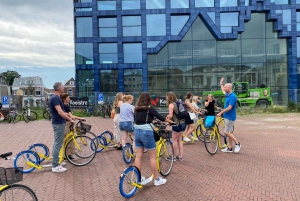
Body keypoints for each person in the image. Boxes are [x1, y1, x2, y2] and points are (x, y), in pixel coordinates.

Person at [134, 92, 174, 186]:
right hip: (146, 132)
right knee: (152, 156)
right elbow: (160, 117)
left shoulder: (136, 108)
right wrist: (169, 121)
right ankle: (157, 179)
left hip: (137, 131)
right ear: (148, 99)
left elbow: (138, 119)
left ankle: (138, 178)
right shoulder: (149, 107)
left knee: (138, 156)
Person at [49, 82, 75, 173]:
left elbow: (62, 111)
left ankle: (56, 162)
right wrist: (70, 119)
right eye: (63, 86)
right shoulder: (55, 98)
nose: (64, 87)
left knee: (57, 143)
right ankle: (55, 166)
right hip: (59, 123)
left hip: (58, 123)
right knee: (58, 144)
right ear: (59, 88)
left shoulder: (56, 98)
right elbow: (60, 112)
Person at [217, 78, 241, 153]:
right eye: (224, 87)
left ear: (229, 88)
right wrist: (221, 83)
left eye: (225, 87)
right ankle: (229, 148)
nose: (224, 88)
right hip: (227, 116)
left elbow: (229, 107)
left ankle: (237, 144)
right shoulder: (228, 94)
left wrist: (221, 113)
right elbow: (223, 90)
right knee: (230, 133)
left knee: (226, 132)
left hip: (230, 117)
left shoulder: (233, 96)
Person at [60, 93, 85, 159]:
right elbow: (71, 116)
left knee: (66, 140)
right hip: (68, 124)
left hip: (64, 124)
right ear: (64, 99)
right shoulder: (65, 106)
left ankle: (66, 154)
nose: (69, 99)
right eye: (68, 98)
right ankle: (69, 154)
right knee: (70, 139)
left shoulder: (62, 106)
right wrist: (80, 118)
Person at [166, 92, 186, 161]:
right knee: (180, 140)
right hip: (183, 123)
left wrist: (167, 116)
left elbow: (170, 116)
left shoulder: (171, 105)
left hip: (176, 124)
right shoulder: (179, 103)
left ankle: (174, 156)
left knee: (174, 140)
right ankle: (180, 156)